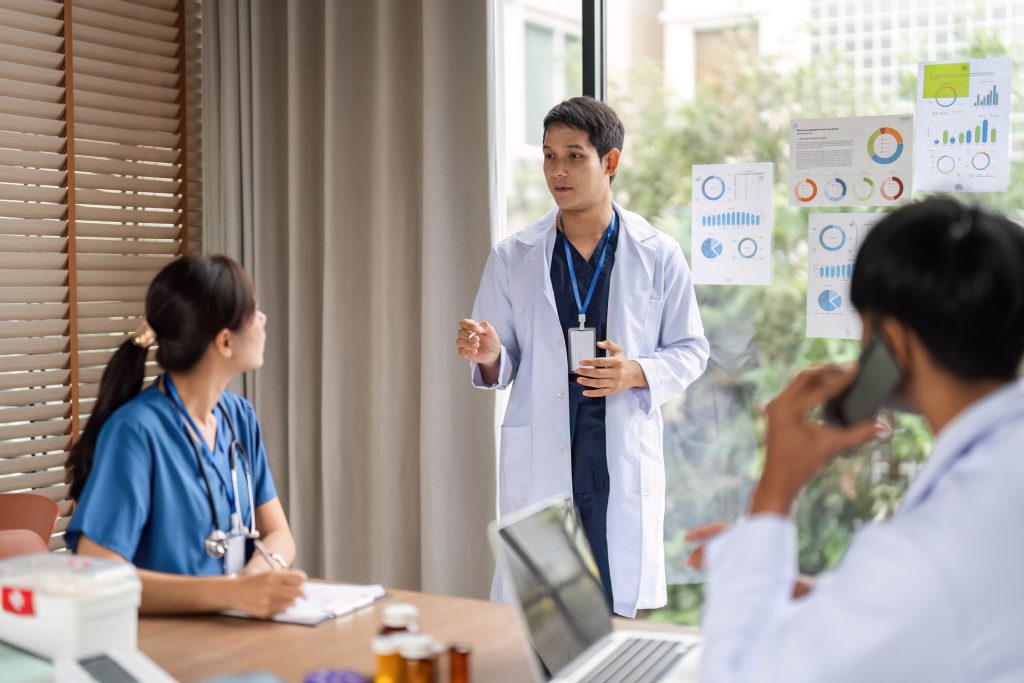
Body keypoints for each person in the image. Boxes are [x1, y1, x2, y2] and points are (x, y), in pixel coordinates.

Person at [694, 198, 1024, 682]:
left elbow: (734, 676)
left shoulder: (929, 551)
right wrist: (825, 597)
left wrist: (775, 491)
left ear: (893, 340)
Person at [457, 96, 709, 617]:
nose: (558, 171)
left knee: (612, 608)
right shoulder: (513, 256)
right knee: (548, 616)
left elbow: (691, 349)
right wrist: (487, 354)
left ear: (609, 162)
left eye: (574, 156)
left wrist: (636, 371)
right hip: (544, 450)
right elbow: (502, 359)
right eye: (549, 156)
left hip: (612, 449)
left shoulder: (657, 252)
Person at [65, 255, 306, 617]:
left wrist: (258, 576)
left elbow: (280, 536)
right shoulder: (136, 431)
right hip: (159, 644)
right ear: (225, 342)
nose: (263, 319)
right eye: (254, 311)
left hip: (230, 628)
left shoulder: (240, 418)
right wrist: (232, 593)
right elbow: (100, 573)